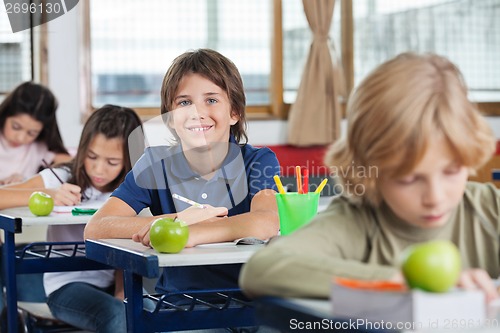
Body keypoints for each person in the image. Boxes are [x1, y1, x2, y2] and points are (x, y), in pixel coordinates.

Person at [239, 52, 500, 302]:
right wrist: (401, 281)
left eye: (451, 171)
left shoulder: (489, 209)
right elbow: (263, 269)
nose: (435, 198)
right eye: (408, 179)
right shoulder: (358, 219)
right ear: (369, 168)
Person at [84, 49, 280, 332]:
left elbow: (265, 221)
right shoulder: (154, 163)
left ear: (234, 112)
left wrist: (189, 232)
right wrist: (175, 222)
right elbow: (96, 227)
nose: (197, 113)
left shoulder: (257, 161)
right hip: (179, 306)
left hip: (251, 304)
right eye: (184, 102)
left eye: (211, 100)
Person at [0, 105, 143, 333]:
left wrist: (121, 291)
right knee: (118, 318)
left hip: (118, 283)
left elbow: (129, 245)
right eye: (92, 157)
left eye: (112, 162)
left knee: (150, 315)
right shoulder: (60, 177)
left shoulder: (131, 188)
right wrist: (49, 194)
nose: (98, 169)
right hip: (66, 288)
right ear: (82, 149)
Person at [0, 81, 71, 185]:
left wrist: (28, 181)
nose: (21, 138)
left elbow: (72, 164)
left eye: (32, 133)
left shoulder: (39, 148)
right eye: (16, 127)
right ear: (5, 114)